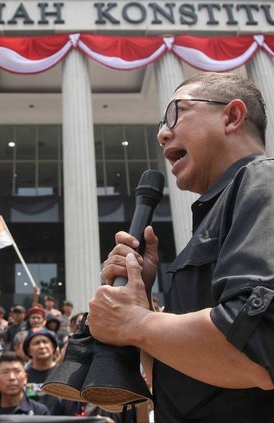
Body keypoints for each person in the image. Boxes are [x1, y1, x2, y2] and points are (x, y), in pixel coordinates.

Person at [89, 72, 274, 422]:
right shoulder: (217, 210)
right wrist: (140, 299)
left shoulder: (263, 181)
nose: (161, 134)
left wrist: (134, 322)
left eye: (177, 113)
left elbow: (258, 349)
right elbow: (189, 375)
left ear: (232, 116)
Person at [0, 352, 49, 416]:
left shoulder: (39, 412)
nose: (12, 377)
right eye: (5, 372)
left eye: (17, 371)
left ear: (25, 378)